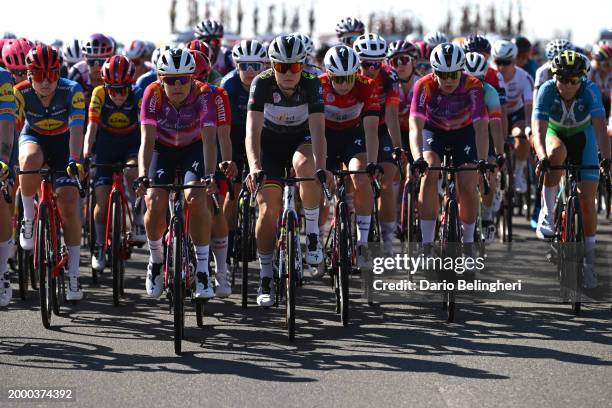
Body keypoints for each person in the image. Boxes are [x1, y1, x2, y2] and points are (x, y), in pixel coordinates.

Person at [244, 35, 330, 307]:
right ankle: (266, 275)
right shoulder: (262, 83)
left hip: (300, 140)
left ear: (303, 65)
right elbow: (252, 131)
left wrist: (321, 168)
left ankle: (313, 235)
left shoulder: (312, 83)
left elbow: (318, 132)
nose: (289, 73)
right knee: (268, 212)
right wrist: (255, 167)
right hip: (269, 145)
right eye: (282, 67)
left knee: (307, 166)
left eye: (295, 67)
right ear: (272, 65)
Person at [134, 48, 218, 299]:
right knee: (155, 200)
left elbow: (209, 141)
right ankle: (157, 259)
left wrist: (211, 174)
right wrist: (141, 175)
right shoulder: (153, 93)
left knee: (196, 196)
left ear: (193, 78)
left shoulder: (203, 95)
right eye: (171, 80)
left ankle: (203, 268)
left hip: (193, 149)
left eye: (185, 79)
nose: (178, 85)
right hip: (163, 149)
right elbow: (147, 140)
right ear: (161, 78)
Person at [532, 50, 611, 288]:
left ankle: (588, 264)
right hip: (556, 134)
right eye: (563, 79)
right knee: (555, 155)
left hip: (583, 136)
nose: (567, 85)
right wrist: (542, 157)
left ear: (582, 79)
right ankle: (547, 212)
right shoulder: (547, 90)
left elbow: (599, 128)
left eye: (573, 80)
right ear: (554, 77)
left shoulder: (590, 91)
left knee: (587, 201)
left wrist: (606, 159)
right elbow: (538, 130)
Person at [15, 45, 87, 301]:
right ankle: (29, 218)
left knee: (69, 203)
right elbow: (8, 130)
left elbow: (78, 128)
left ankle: (75, 276)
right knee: (29, 159)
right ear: (28, 74)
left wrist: (75, 160)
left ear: (59, 73)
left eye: (52, 75)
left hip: (64, 142)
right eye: (38, 75)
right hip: (34, 138)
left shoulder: (72, 90)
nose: (45, 82)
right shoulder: (20, 92)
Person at [409, 43, 489, 258]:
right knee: (430, 171)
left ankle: (469, 243)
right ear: (434, 71)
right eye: (443, 74)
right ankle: (426, 244)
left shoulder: (473, 85)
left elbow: (481, 126)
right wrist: (418, 157)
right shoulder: (423, 85)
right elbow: (415, 125)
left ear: (461, 70)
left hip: (463, 133)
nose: (448, 80)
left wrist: (482, 159)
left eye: (453, 74)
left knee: (467, 182)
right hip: (434, 131)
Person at [83, 55, 145, 272]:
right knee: (101, 200)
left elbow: (145, 131)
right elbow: (91, 128)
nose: (118, 95)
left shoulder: (138, 94)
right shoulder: (98, 94)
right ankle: (99, 246)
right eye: (113, 90)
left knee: (132, 172)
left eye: (123, 90)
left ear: (130, 86)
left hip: (130, 143)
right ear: (105, 86)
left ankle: (138, 218)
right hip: (106, 145)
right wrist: (85, 154)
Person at [320, 44, 380, 265]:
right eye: (338, 79)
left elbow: (371, 128)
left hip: (352, 137)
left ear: (356, 73)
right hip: (324, 137)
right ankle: (315, 238)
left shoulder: (367, 85)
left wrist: (372, 163)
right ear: (328, 74)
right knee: (316, 182)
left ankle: (363, 243)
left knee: (360, 176)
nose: (344, 84)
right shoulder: (319, 86)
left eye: (349, 78)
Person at [353, 33, 403, 255]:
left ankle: (388, 239)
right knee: (353, 178)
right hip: (353, 129)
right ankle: (347, 233)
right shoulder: (349, 72)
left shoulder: (390, 76)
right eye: (366, 63)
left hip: (382, 128)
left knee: (388, 178)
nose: (371, 69)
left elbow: (392, 115)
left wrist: (397, 148)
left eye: (377, 64)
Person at [220, 39, 267, 268]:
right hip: (234, 134)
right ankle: (226, 248)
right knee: (232, 191)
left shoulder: (268, 83)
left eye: (255, 66)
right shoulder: (227, 86)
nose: (250, 71)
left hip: (262, 134)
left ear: (264, 66)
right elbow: (223, 130)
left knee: (266, 192)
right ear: (236, 65)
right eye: (244, 65)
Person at [464, 52, 504, 242]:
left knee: (487, 170)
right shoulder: (451, 90)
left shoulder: (490, 92)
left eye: (478, 80)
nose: (473, 84)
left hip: (482, 133)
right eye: (468, 79)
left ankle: (487, 216)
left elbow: (496, 126)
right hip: (458, 133)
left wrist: (499, 153)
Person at [492, 40, 534, 194]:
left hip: (516, 114)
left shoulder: (524, 77)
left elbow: (529, 105)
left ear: (514, 61)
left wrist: (529, 126)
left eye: (506, 62)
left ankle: (519, 171)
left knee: (522, 135)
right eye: (498, 62)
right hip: (495, 114)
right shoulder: (490, 75)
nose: (501, 67)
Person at [0, 66, 16, 307]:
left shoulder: (3, 78)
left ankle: (2, 270)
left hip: (0, 142)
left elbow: (6, 125)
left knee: (1, 199)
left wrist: (2, 161)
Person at [588, 43, 612, 120]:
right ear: (598, 63)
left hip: (608, 103)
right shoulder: (591, 71)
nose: (610, 67)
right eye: (607, 64)